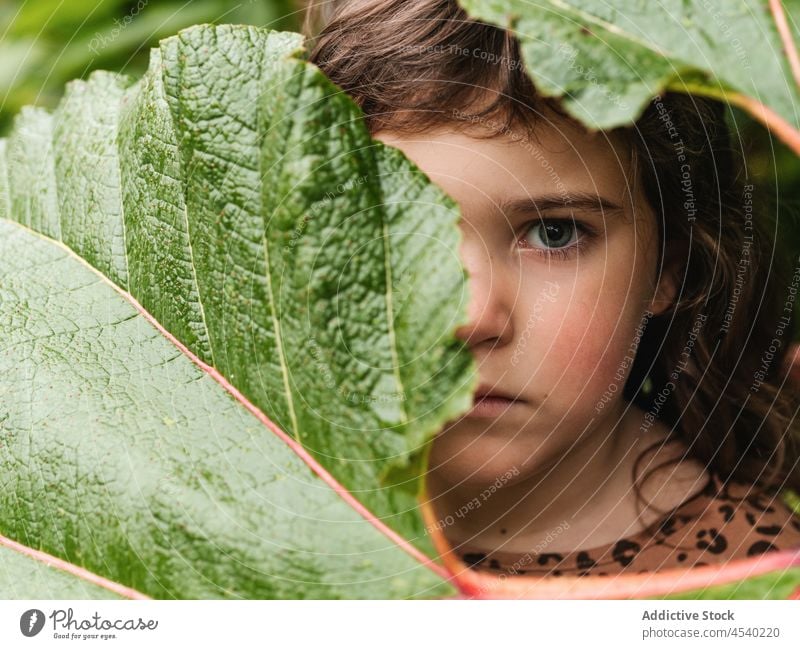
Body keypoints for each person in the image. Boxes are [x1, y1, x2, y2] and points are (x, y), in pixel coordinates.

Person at [303, 0, 800, 576]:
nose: (470, 316)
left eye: (554, 233)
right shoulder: (248, 513)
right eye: (398, 233)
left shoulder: (752, 573)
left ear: (671, 269)